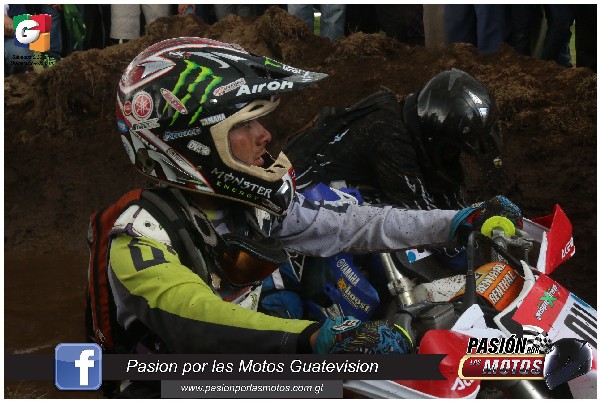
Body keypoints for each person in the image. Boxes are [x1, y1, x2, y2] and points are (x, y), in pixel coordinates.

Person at [108, 37, 522, 396]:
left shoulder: (250, 206)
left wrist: (455, 221)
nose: (265, 135)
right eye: (245, 124)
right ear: (193, 143)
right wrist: (312, 337)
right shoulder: (139, 235)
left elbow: (354, 223)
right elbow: (196, 317)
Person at [288, 68, 503, 211]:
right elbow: (422, 218)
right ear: (435, 136)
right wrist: (473, 222)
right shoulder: (388, 134)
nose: (452, 159)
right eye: (450, 151)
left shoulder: (411, 128)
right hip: (301, 200)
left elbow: (450, 206)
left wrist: (480, 214)